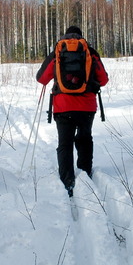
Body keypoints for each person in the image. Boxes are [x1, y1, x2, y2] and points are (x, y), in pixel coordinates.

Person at [36, 26, 109, 197]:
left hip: (63, 107)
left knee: (65, 144)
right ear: (81, 36)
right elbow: (103, 80)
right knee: (84, 140)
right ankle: (85, 174)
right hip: (87, 106)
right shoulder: (90, 52)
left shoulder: (58, 52)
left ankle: (67, 181)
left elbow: (41, 78)